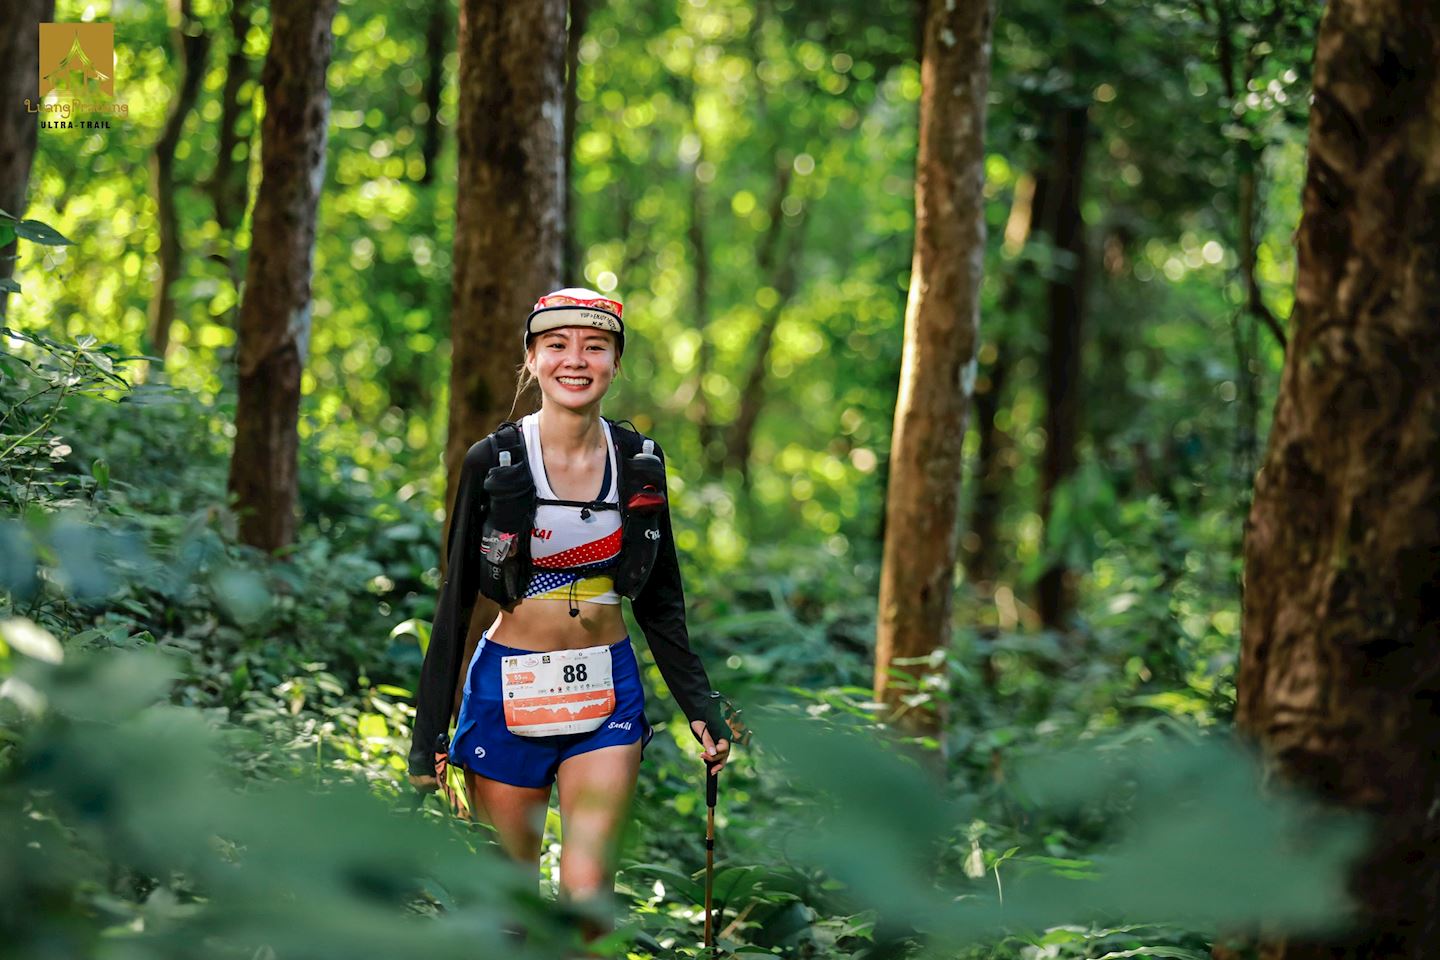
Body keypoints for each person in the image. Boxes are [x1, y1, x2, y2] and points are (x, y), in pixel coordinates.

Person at [407, 286, 731, 941]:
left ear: (615, 361)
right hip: (508, 690)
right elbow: (455, 602)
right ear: (531, 357)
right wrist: (428, 735)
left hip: (606, 690)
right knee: (511, 912)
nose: (575, 359)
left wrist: (700, 705)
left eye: (595, 346)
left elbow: (662, 597)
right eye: (556, 345)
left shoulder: (640, 463)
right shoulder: (492, 460)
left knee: (587, 910)